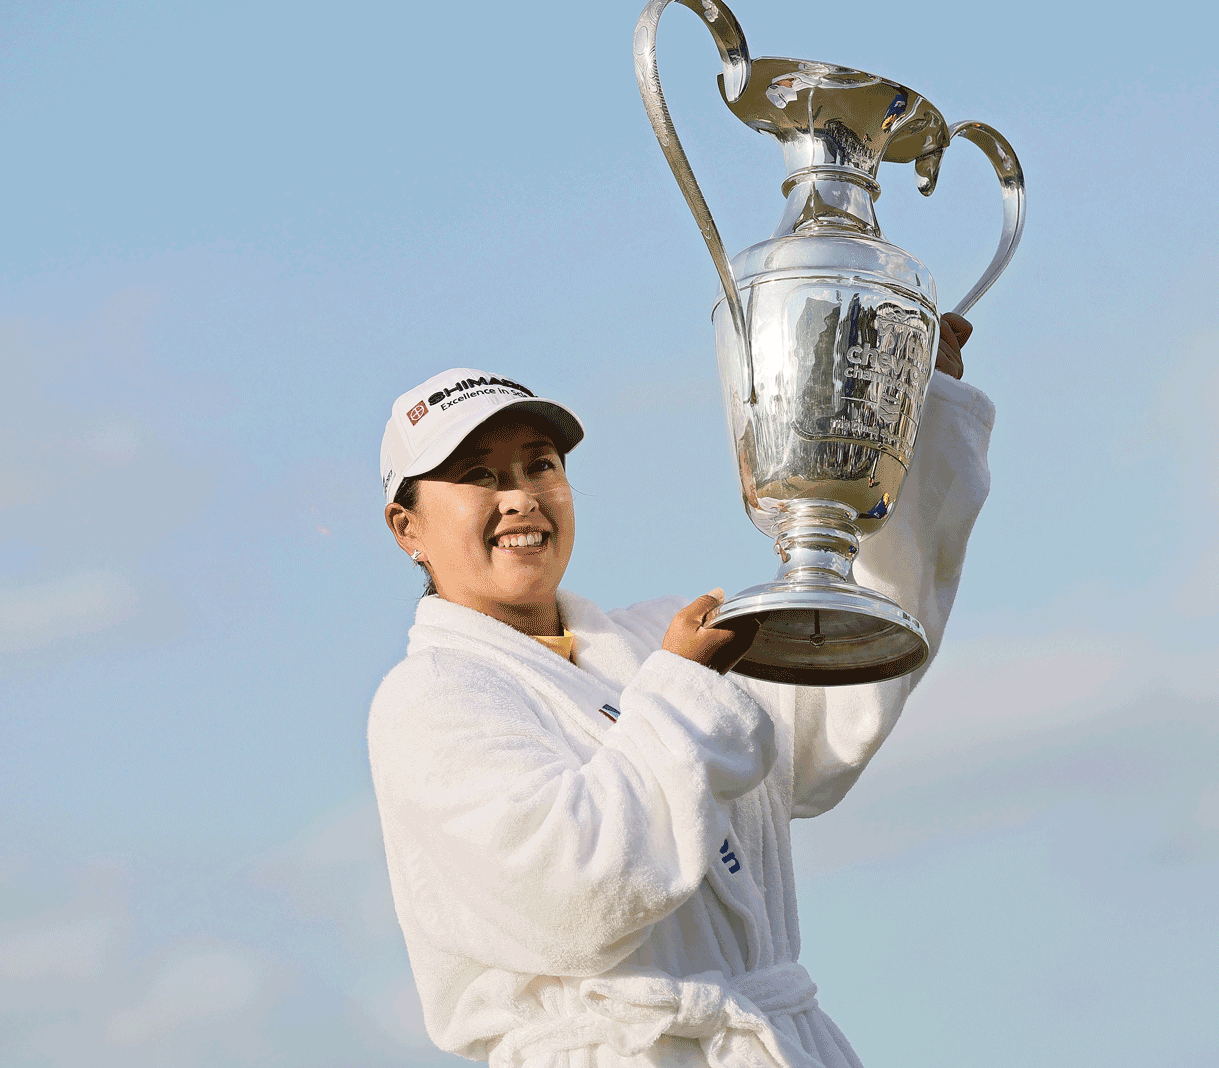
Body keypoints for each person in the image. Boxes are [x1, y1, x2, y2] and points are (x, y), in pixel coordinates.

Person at [367, 314, 993, 1068]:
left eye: (540, 465)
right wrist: (682, 688)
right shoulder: (430, 700)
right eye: (479, 476)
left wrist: (909, 430)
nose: (522, 497)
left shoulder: (653, 640)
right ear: (407, 527)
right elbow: (575, 893)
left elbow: (839, 700)